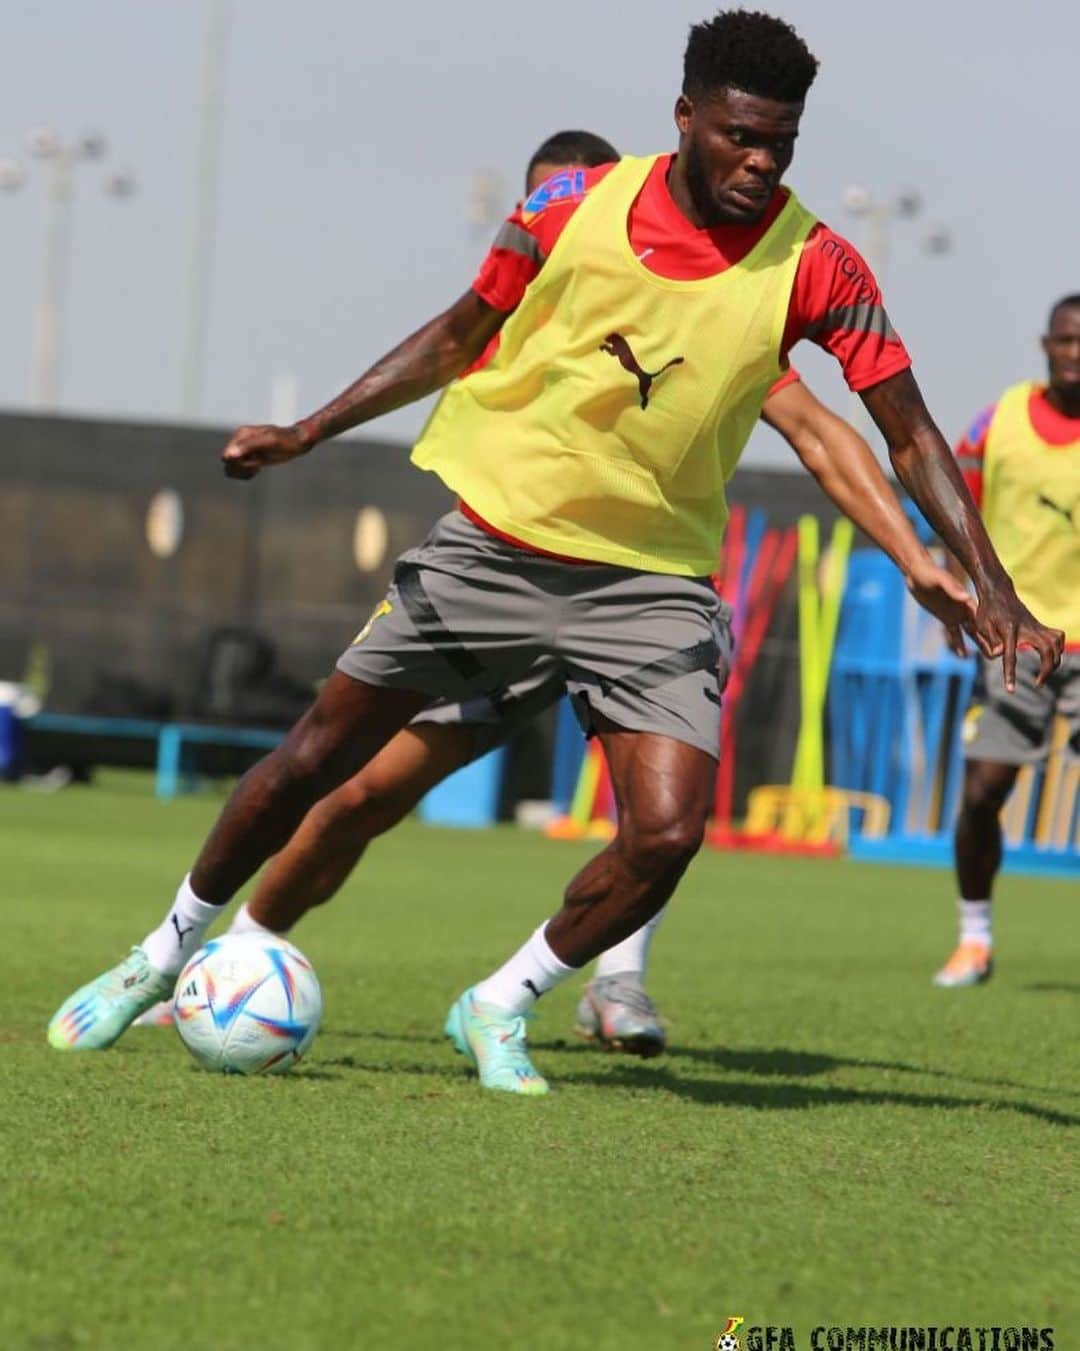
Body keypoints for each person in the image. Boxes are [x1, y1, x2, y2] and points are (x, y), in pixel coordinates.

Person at [50, 11, 1061, 1097]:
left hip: (647, 585)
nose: (760, 162)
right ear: (684, 117)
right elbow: (455, 335)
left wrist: (987, 585)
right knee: (318, 767)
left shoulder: (816, 262)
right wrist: (310, 431)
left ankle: (502, 998)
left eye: (782, 143)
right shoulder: (569, 206)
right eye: (738, 136)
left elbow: (897, 429)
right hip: (496, 548)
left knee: (669, 833)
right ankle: (160, 956)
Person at [933, 294, 1080, 989]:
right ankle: (973, 938)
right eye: (1066, 340)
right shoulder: (999, 421)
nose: (1076, 353)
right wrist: (958, 596)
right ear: (1045, 344)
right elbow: (959, 508)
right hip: (1016, 642)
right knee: (982, 791)